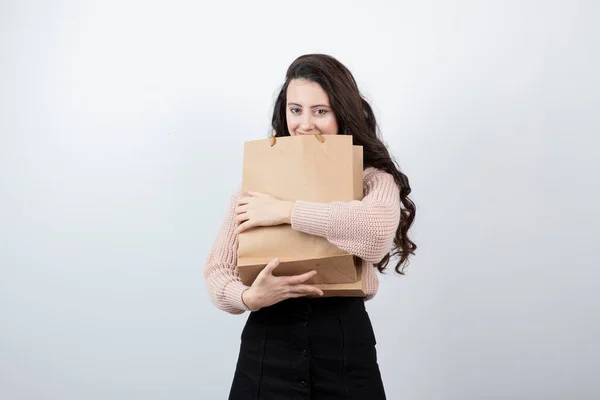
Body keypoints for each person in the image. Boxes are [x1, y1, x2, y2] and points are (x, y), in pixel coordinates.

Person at [203, 54, 416, 400]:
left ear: (342, 113)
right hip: (267, 349)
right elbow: (217, 271)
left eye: (320, 111)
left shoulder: (372, 179)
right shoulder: (256, 186)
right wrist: (248, 297)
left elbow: (375, 235)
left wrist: (285, 211)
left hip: (345, 350)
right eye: (295, 109)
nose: (305, 124)